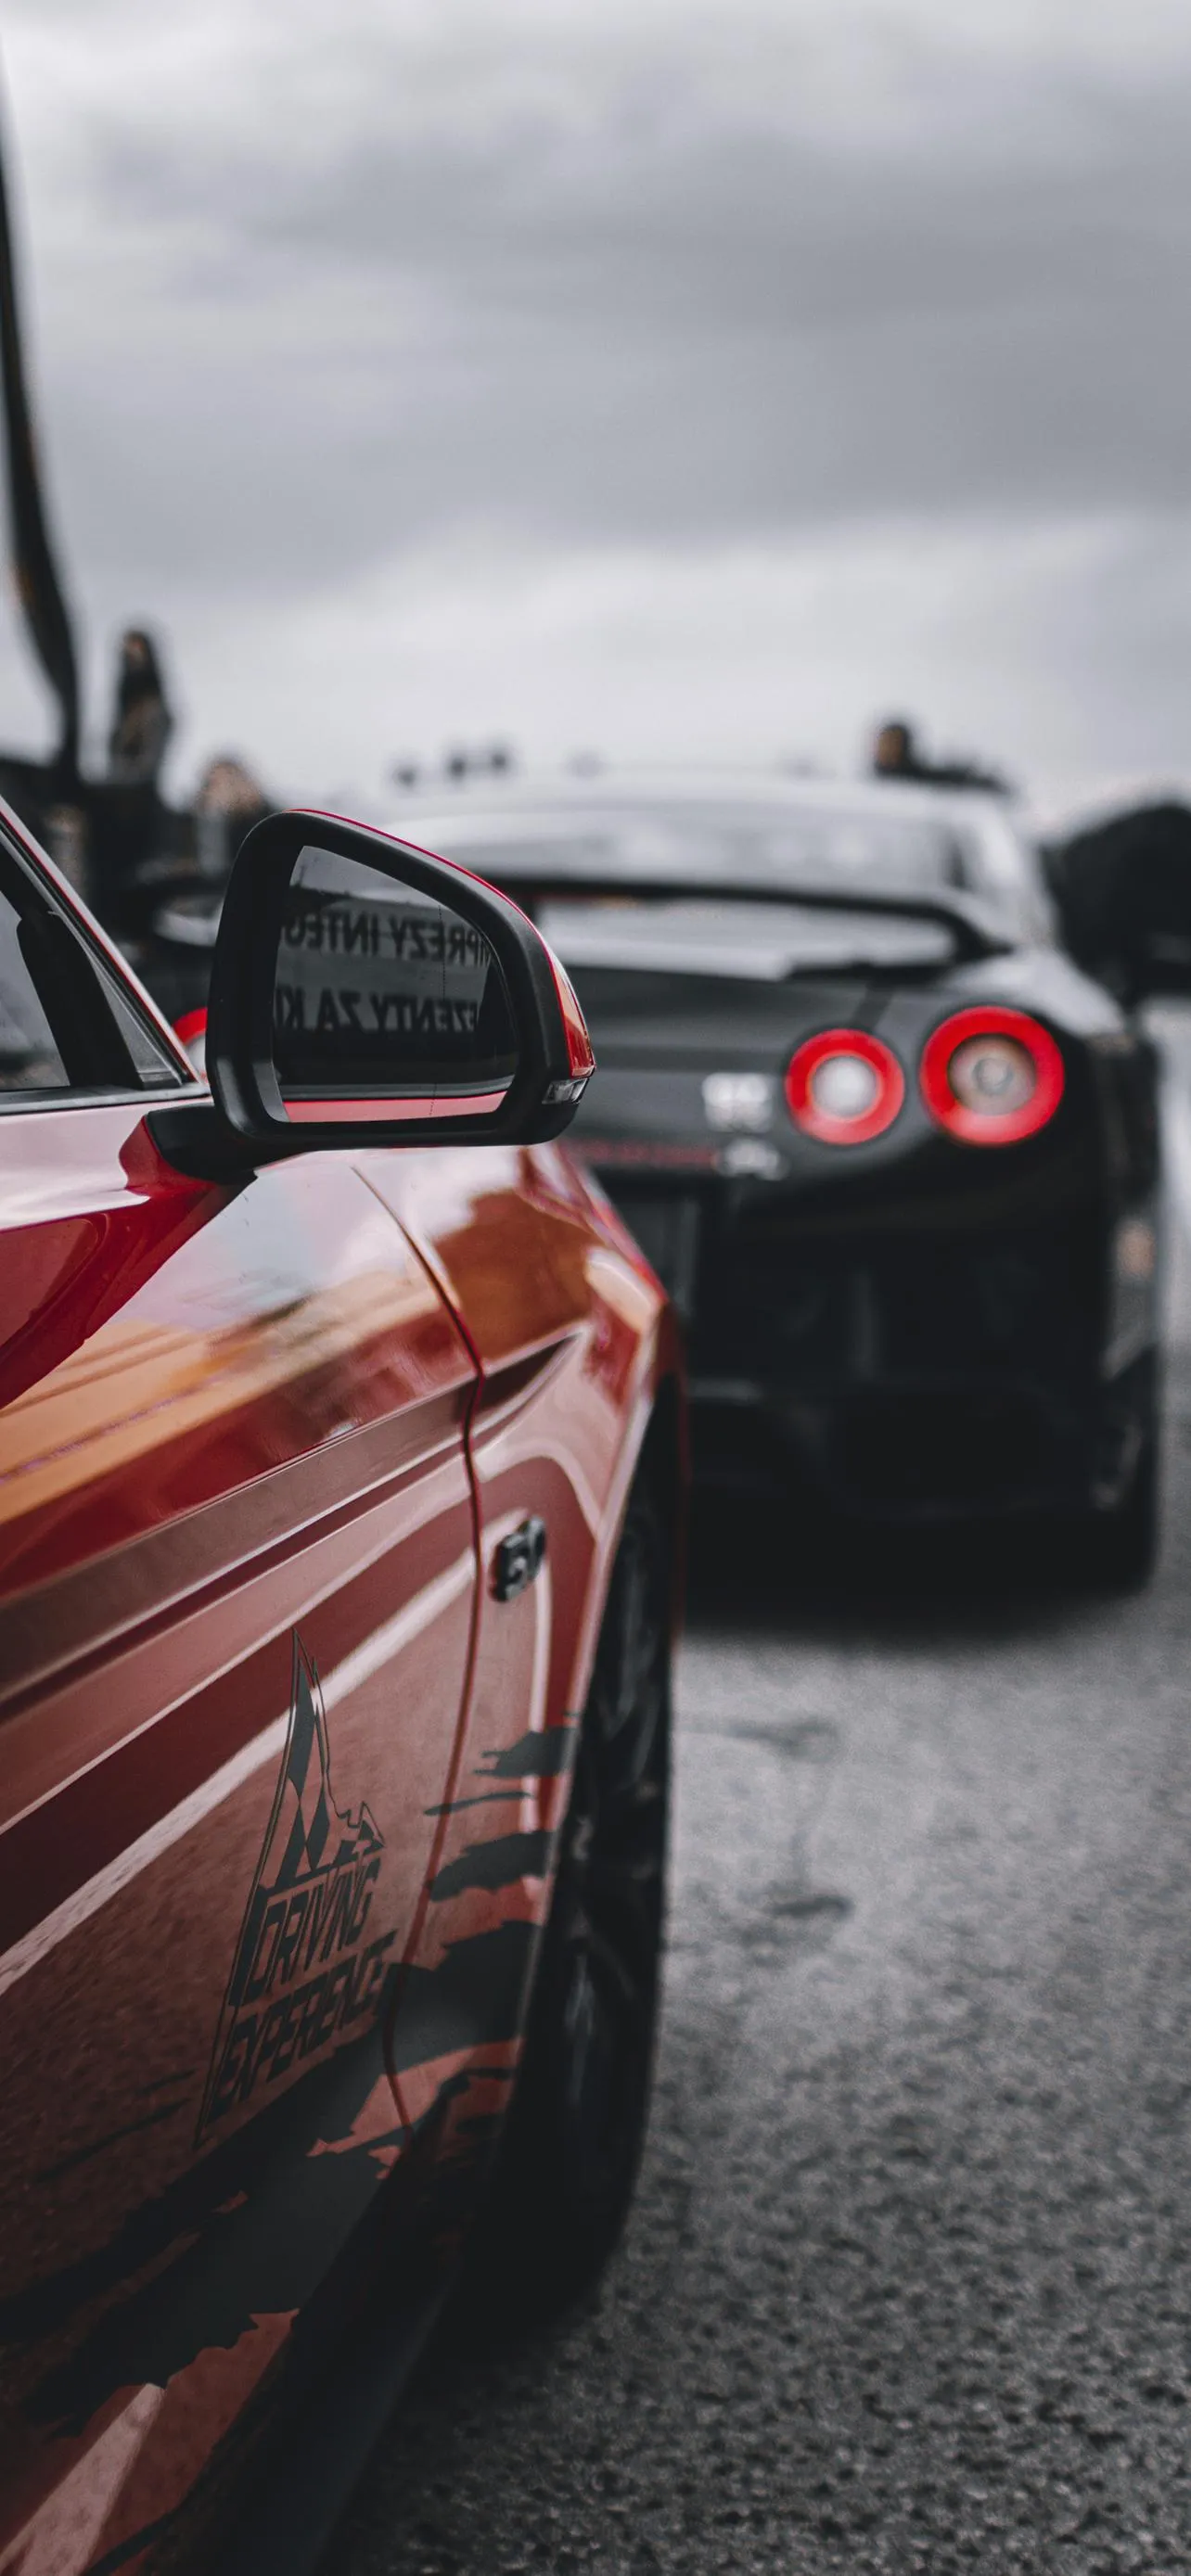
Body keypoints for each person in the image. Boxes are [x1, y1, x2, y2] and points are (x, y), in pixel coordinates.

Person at [870, 714, 1011, 797]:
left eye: (892, 744)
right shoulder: (872, 784)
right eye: (883, 744)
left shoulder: (919, 781)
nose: (885, 750)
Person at [107, 628, 173, 786]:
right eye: (129, 654)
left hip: (138, 788)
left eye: (137, 652)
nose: (133, 659)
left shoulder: (155, 711)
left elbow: (148, 765)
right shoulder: (123, 711)